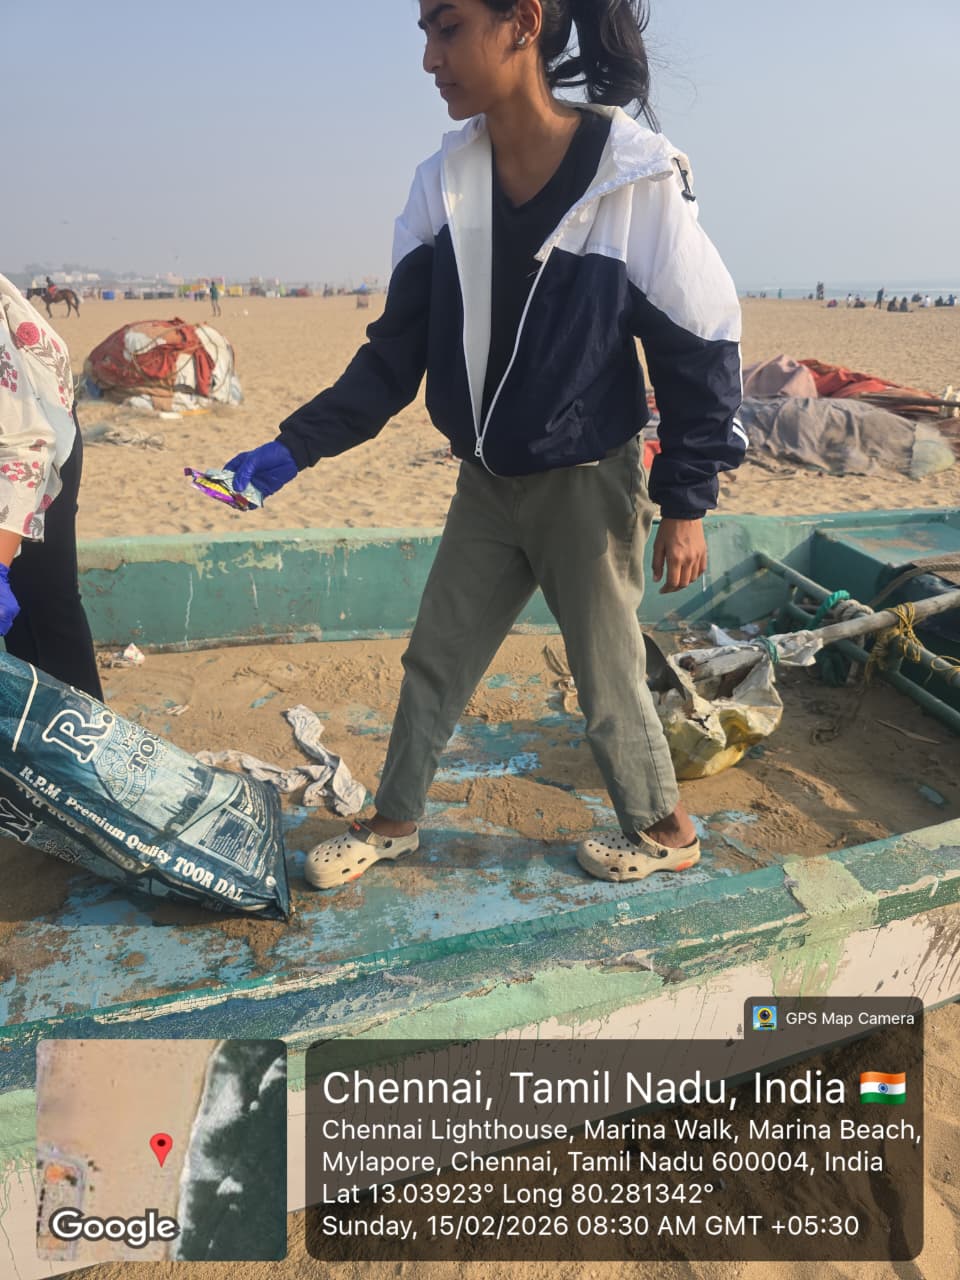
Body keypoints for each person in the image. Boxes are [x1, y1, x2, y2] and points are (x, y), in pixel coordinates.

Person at [225, 0, 744, 890]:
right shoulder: (444, 183)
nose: (430, 58)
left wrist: (687, 501)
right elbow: (394, 356)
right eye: (425, 34)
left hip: (589, 485)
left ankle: (668, 831)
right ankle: (395, 820)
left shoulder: (631, 177)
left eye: (448, 27)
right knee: (438, 655)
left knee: (608, 675)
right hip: (487, 481)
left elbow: (700, 346)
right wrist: (292, 449)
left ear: (522, 23)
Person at [0, 273, 103, 699]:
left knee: (43, 598)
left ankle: (80, 724)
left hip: (38, 441)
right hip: (19, 436)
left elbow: (25, 448)